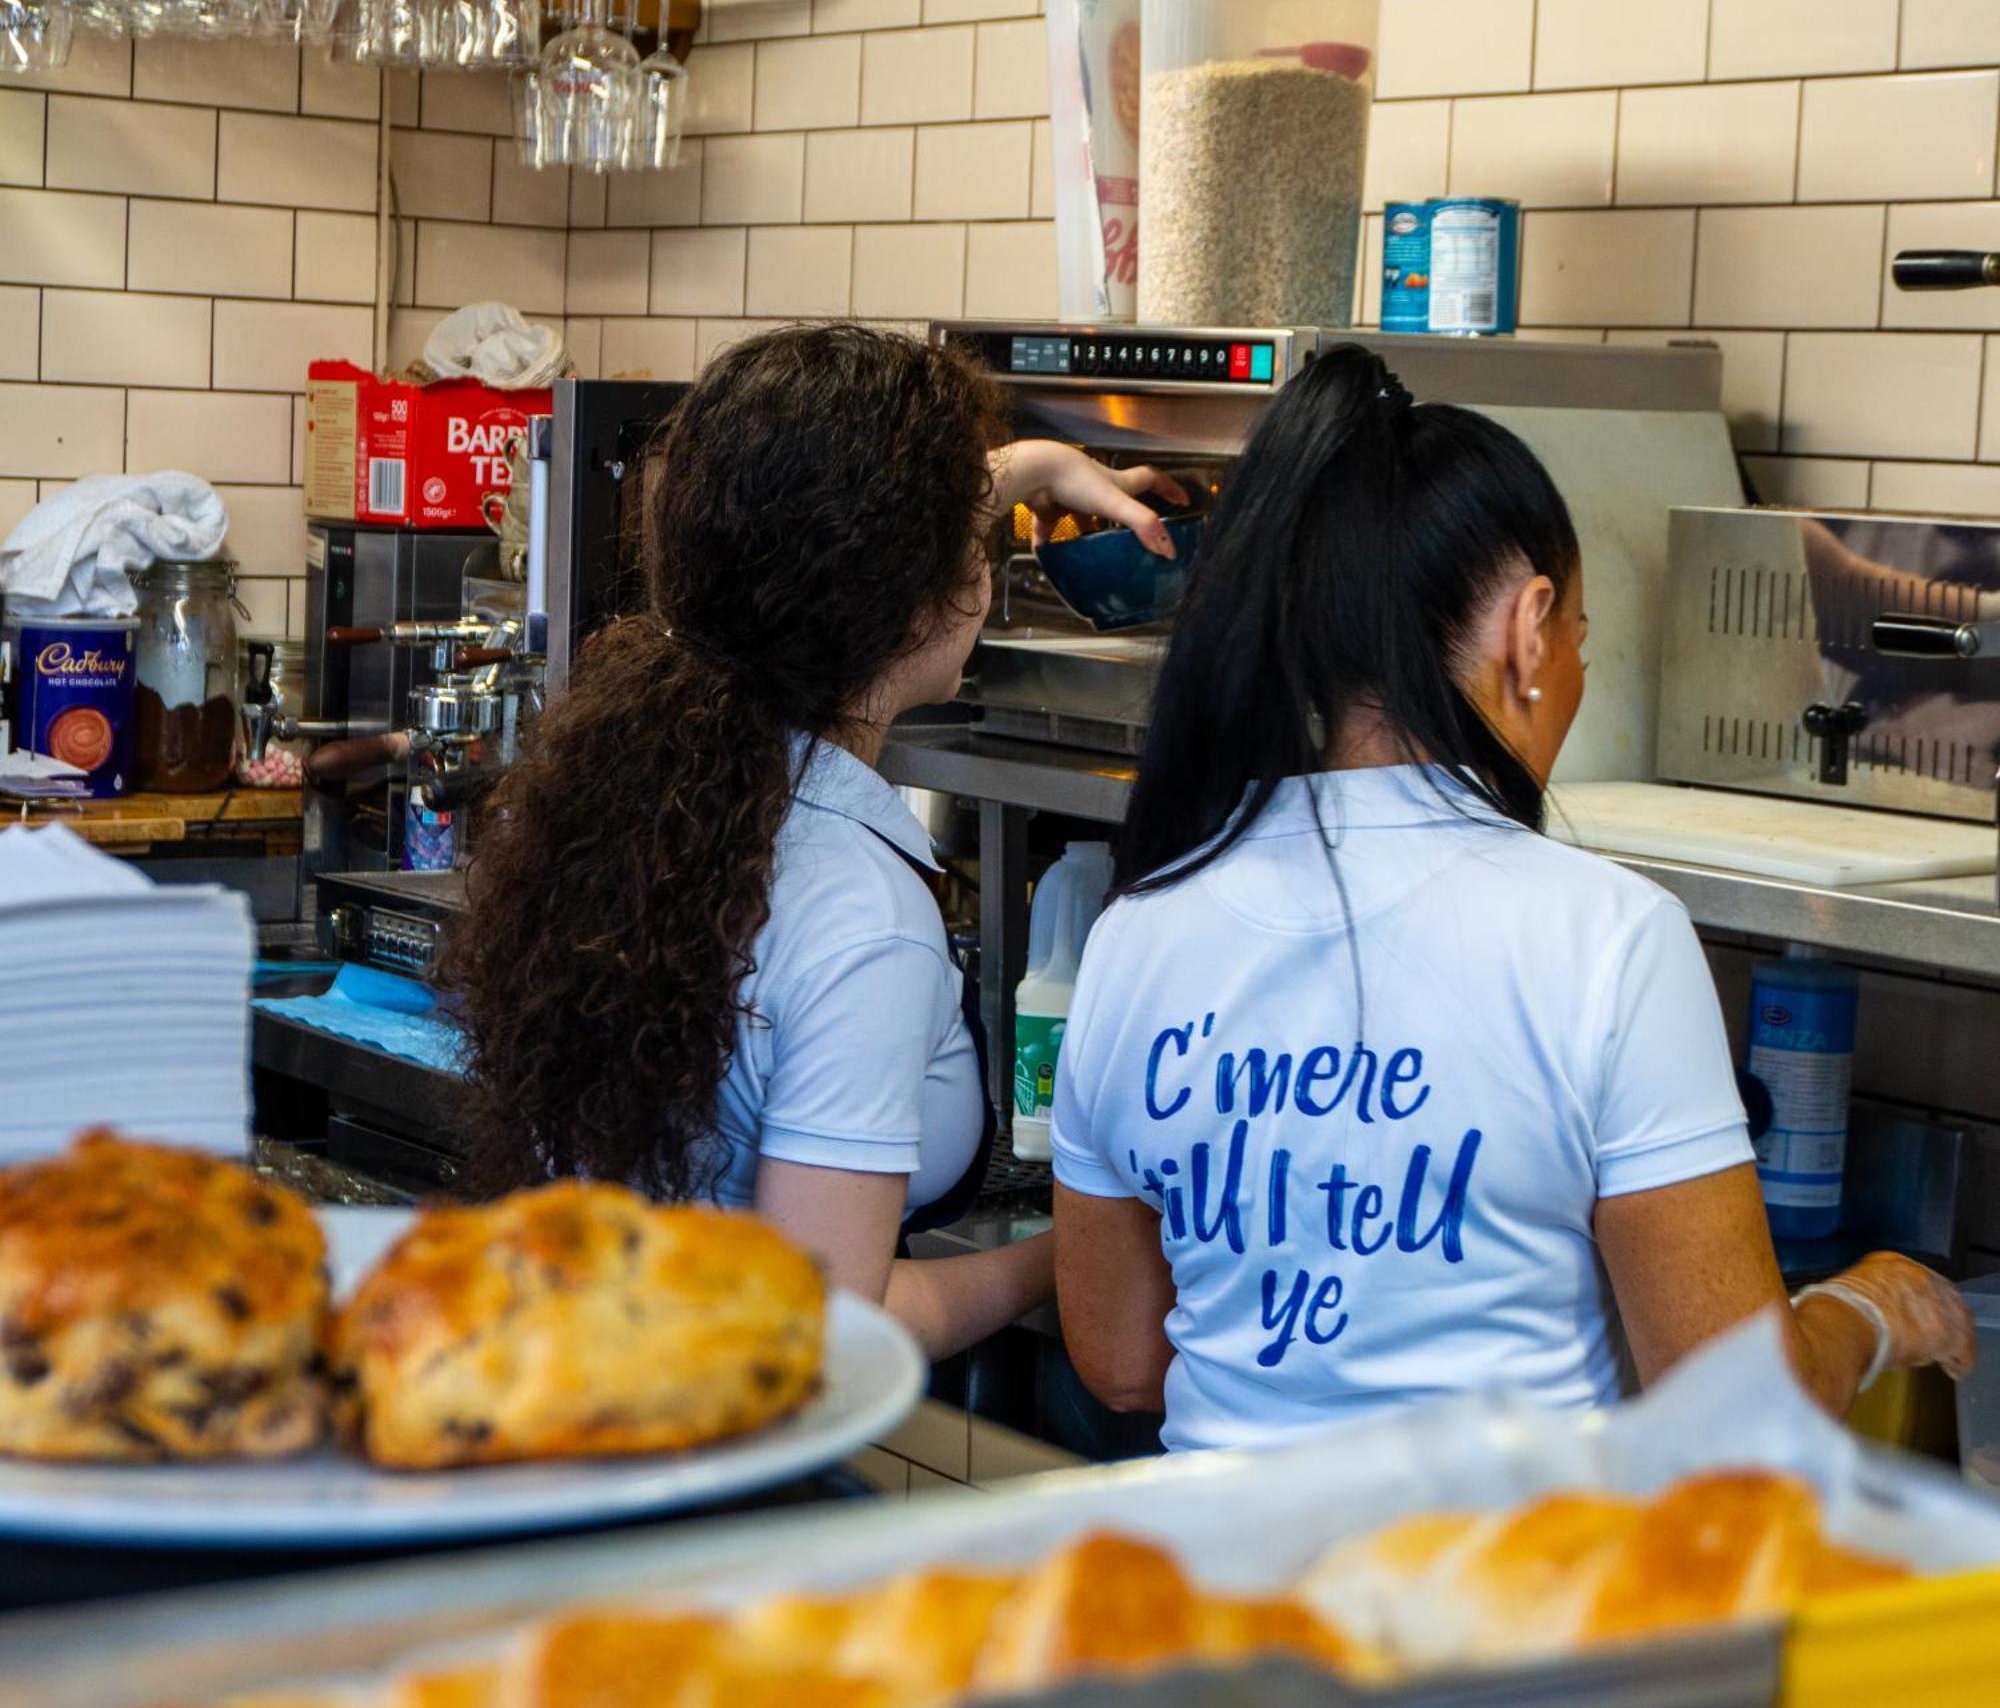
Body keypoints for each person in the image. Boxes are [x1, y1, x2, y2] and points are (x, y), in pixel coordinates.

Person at [1051, 345, 1974, 1452]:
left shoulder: (1136, 929)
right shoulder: (1605, 936)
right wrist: (1865, 1307)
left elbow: (1117, 1360)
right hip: (1498, 1609)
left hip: (1217, 1604)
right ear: (1527, 630)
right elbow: (1727, 1410)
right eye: (1577, 636)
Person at [446, 324, 1180, 1361]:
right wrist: (1068, 1252)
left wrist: (1043, 466)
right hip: (709, 1465)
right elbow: (826, 1332)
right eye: (980, 540)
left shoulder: (641, 796)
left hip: (569, 1386)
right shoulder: (862, 921)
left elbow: (822, 521)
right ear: (935, 594)